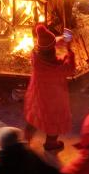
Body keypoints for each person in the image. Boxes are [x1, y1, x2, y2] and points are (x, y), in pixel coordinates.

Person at [23, 24, 74, 152]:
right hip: (53, 102)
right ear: (53, 50)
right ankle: (51, 143)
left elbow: (46, 45)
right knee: (54, 122)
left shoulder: (35, 57)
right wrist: (69, 50)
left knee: (34, 117)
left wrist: (60, 39)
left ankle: (25, 140)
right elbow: (70, 68)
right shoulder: (57, 69)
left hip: (37, 96)